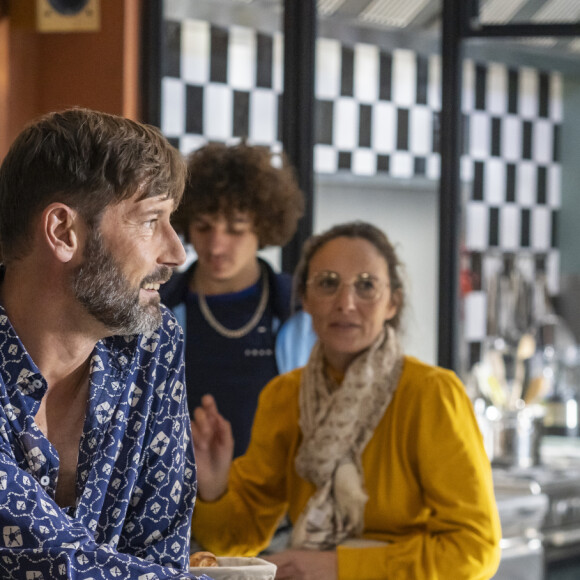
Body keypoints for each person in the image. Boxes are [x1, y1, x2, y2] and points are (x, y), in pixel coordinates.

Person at [190, 221, 502, 580]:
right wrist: (214, 488)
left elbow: (476, 549)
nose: (346, 303)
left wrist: (340, 567)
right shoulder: (284, 396)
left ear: (392, 302)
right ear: (305, 299)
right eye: (327, 283)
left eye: (366, 286)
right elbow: (234, 544)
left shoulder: (432, 394)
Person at [0, 108, 211, 579]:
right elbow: (43, 559)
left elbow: (160, 546)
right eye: (150, 220)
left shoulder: (152, 341)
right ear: (63, 232)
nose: (176, 252)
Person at [161, 142, 316, 458]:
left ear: (263, 227)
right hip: (174, 496)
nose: (216, 245)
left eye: (236, 229)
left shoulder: (299, 310)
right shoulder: (157, 307)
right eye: (203, 227)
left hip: (273, 497)